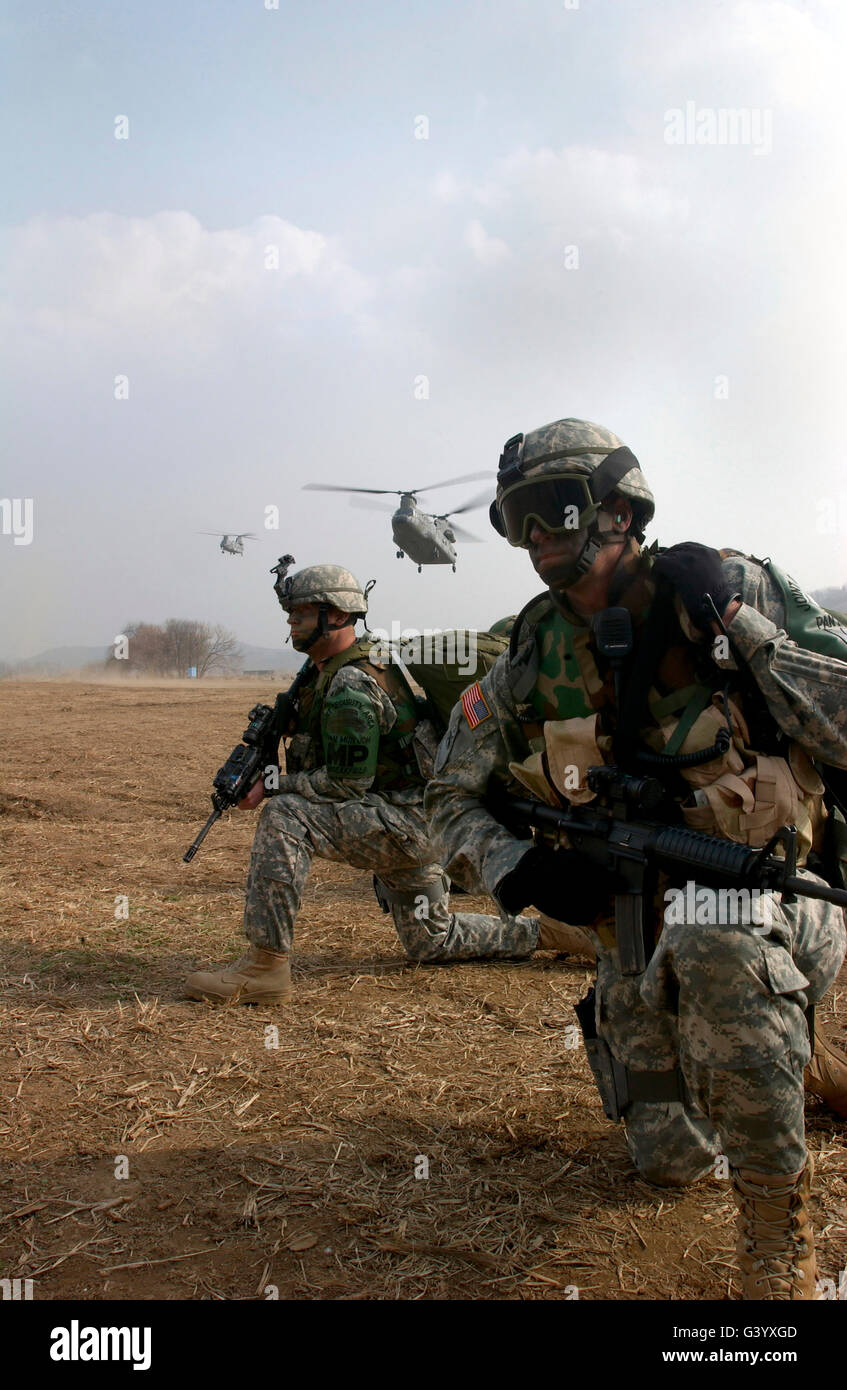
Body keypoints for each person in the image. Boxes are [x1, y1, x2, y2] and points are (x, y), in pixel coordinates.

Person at [425, 417, 847, 1299]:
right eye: (516, 522)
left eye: (552, 510)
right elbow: (447, 795)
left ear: (618, 507)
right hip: (629, 915)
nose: (537, 540)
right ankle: (780, 1061)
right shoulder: (531, 649)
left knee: (714, 935)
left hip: (774, 899)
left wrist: (738, 625)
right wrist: (516, 868)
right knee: (669, 1164)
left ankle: (776, 1232)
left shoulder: (728, 588)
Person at [184, 563, 563, 1007]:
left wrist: (272, 785)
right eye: (291, 614)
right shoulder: (329, 668)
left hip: (406, 822)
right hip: (411, 814)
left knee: (284, 816)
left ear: (338, 616)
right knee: (431, 941)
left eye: (302, 614)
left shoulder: (351, 684)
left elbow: (346, 785)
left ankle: (266, 967)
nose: (292, 622)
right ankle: (553, 933)